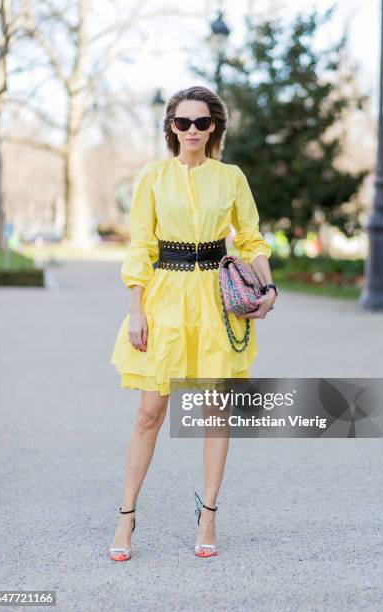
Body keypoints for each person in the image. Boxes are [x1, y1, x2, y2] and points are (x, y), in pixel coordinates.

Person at [109, 85, 277, 561]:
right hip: (163, 297)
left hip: (214, 300)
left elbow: (249, 238)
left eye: (201, 123)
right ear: (170, 128)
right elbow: (140, 242)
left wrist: (268, 288)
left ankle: (208, 515)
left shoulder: (231, 177)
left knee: (215, 411)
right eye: (182, 123)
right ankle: (126, 518)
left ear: (214, 128)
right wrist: (135, 307)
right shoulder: (153, 176)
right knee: (149, 413)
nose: (192, 131)